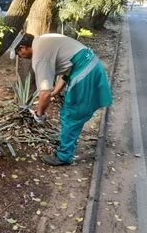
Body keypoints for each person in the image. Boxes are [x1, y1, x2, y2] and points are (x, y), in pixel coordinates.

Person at [13, 33, 112, 166]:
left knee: (71, 114)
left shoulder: (39, 57)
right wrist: (55, 92)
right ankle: (67, 143)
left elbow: (44, 94)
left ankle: (64, 156)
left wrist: (39, 114)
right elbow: (67, 68)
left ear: (23, 47)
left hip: (85, 71)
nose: (20, 57)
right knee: (73, 112)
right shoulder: (44, 39)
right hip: (92, 64)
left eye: (18, 53)